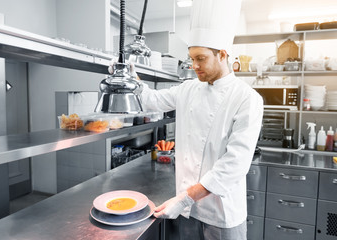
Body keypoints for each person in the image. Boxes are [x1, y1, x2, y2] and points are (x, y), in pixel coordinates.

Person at [112, 0, 263, 239]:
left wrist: (184, 200)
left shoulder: (247, 99)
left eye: (201, 58)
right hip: (187, 210)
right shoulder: (188, 89)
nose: (194, 66)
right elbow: (153, 100)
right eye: (192, 58)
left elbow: (234, 165)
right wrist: (132, 80)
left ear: (222, 54)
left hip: (221, 214)